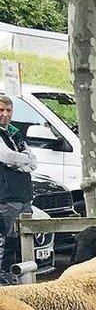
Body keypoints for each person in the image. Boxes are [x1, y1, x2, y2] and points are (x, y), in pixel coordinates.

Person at [0, 94, 35, 286]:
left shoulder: (15, 133)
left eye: (8, 110)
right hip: (6, 196)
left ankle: (21, 276)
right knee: (7, 239)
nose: (5, 114)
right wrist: (22, 161)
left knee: (24, 238)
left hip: (24, 194)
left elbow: (33, 161)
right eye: (1, 110)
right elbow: (6, 157)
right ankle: (5, 277)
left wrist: (19, 162)